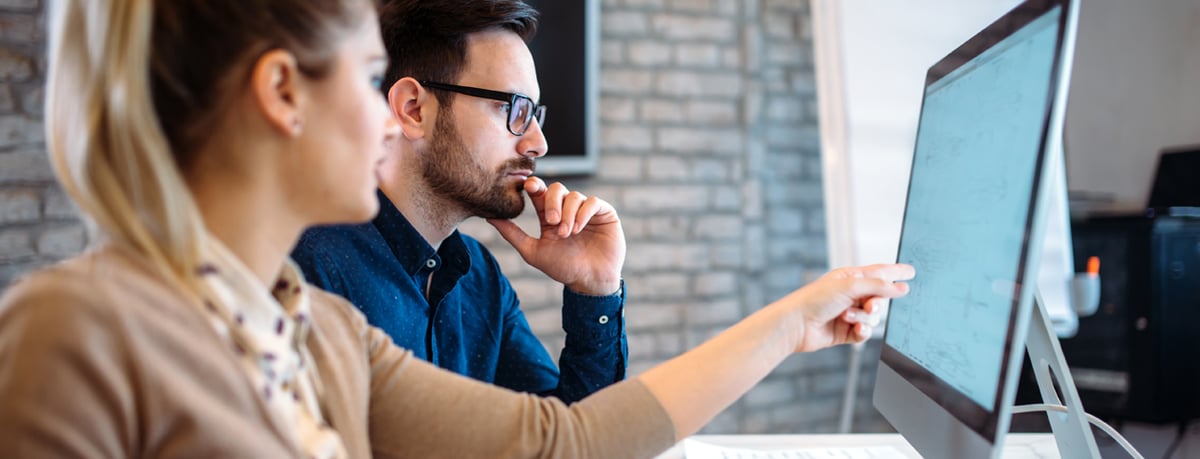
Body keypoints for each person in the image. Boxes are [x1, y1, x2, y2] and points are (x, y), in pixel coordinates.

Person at [0, 0, 914, 457]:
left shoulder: (308, 332)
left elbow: (562, 441)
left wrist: (790, 320)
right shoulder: (75, 331)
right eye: (364, 81)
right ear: (285, 93)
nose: (379, 117)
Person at [290, 0, 626, 403]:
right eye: (513, 108)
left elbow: (572, 440)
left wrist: (595, 290)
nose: (538, 142)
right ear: (414, 109)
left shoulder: (479, 277)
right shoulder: (309, 270)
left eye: (535, 113)